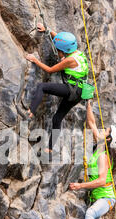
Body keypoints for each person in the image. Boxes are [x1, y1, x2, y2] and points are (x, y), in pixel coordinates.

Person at [69, 100, 116, 219]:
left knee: (91, 213)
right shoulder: (101, 145)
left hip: (106, 198)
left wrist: (80, 185)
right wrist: (88, 105)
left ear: (108, 140)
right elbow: (92, 123)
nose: (103, 130)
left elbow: (101, 181)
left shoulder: (103, 156)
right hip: (99, 197)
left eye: (106, 131)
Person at [26, 23, 89, 154]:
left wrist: (35, 60)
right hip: (80, 92)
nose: (57, 51)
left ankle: (31, 111)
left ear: (63, 51)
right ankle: (49, 148)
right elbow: (62, 41)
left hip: (72, 90)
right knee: (57, 118)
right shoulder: (78, 53)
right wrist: (47, 30)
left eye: (58, 50)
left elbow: (49, 70)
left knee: (42, 87)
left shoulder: (69, 60)